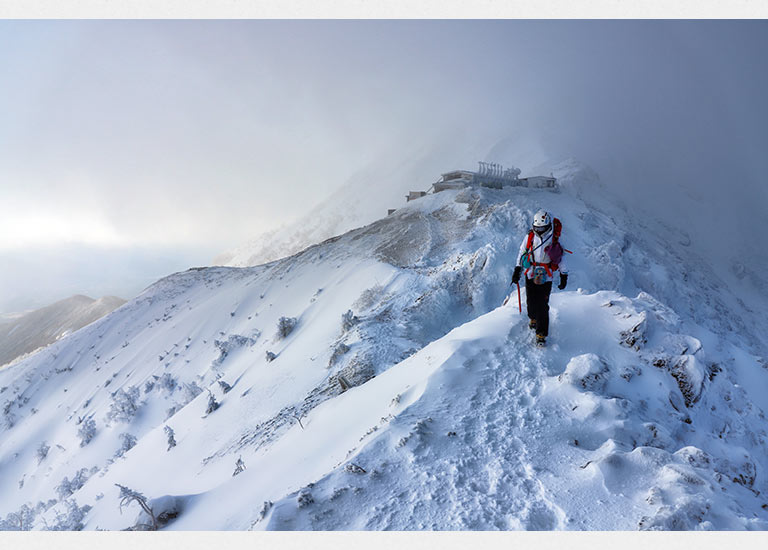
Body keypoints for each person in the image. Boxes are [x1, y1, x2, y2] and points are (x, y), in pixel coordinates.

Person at [511, 209, 568, 346]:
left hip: (546, 277)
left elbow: (559, 258)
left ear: (548, 226)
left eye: (542, 228)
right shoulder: (530, 237)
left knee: (543, 305)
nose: (539, 230)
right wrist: (517, 268)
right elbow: (522, 252)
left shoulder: (554, 238)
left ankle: (541, 334)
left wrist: (563, 274)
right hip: (531, 273)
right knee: (531, 300)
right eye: (537, 227)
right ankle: (533, 318)